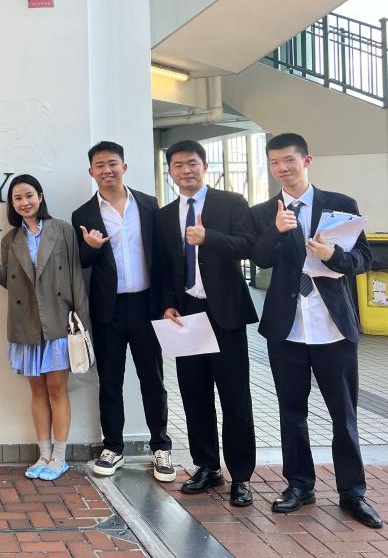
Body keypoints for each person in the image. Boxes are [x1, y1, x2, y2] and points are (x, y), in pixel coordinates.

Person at [250, 133, 381, 528]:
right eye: (274, 162)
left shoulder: (341, 205)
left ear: (306, 160)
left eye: (288, 160)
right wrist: (275, 231)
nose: (282, 168)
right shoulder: (265, 211)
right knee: (292, 413)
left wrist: (333, 255)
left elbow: (363, 260)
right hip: (286, 329)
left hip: (332, 328)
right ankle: (299, 485)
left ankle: (353, 492)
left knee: (344, 415)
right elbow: (257, 259)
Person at [0, 174, 89, 481]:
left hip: (58, 322)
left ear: (40, 196)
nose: (24, 202)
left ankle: (59, 457)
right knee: (37, 391)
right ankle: (43, 454)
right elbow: (12, 283)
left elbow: (75, 276)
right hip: (26, 324)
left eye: (29, 195)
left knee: (57, 389)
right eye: (17, 198)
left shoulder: (62, 230)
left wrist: (82, 324)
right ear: (12, 204)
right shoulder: (11, 240)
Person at [154, 140, 257, 507]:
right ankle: (207, 467)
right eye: (178, 165)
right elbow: (162, 265)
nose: (186, 170)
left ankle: (241, 476)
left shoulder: (231, 203)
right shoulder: (165, 215)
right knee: (195, 395)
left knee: (235, 397)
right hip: (187, 315)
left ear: (204, 166)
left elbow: (248, 245)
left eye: (192, 163)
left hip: (225, 313)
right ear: (170, 171)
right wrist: (167, 305)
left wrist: (208, 237)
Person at [70, 141, 173, 482]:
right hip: (108, 310)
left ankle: (161, 446)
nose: (107, 170)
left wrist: (167, 303)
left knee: (152, 379)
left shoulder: (148, 205)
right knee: (110, 382)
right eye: (99, 165)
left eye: (112, 163)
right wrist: (90, 248)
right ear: (91, 172)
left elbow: (162, 257)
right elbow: (82, 263)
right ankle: (113, 446)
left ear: (124, 167)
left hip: (145, 305)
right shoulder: (83, 215)